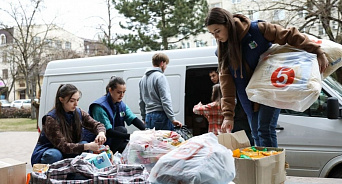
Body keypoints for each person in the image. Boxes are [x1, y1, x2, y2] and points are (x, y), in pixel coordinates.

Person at [205, 7, 329, 147]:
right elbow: (226, 84)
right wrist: (228, 115)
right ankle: (263, 166)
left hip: (270, 87)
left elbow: (289, 35)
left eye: (217, 31)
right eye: (211, 33)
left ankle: (271, 167)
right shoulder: (222, 50)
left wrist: (317, 51)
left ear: (227, 23)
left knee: (264, 129)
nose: (216, 37)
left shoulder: (257, 30)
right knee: (255, 133)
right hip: (247, 96)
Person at [31, 84, 107, 165]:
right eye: (72, 101)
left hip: (69, 149)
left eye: (77, 100)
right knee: (54, 155)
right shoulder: (51, 119)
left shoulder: (79, 113)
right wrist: (88, 146)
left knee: (84, 144)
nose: (76, 104)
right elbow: (63, 146)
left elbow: (97, 125)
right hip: (50, 150)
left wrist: (101, 133)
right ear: (61, 100)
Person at [84, 76, 146, 153]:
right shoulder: (99, 107)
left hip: (111, 139)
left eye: (124, 92)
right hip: (97, 142)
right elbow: (108, 131)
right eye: (119, 92)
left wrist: (147, 131)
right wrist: (131, 136)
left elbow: (133, 118)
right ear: (110, 90)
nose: (122, 95)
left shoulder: (120, 104)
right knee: (122, 130)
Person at [139, 53, 182, 130]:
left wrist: (143, 117)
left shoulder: (142, 79)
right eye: (166, 64)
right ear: (162, 63)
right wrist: (172, 119)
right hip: (160, 116)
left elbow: (141, 101)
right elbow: (165, 99)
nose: (165, 67)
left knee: (152, 141)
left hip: (148, 117)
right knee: (166, 141)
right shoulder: (160, 77)